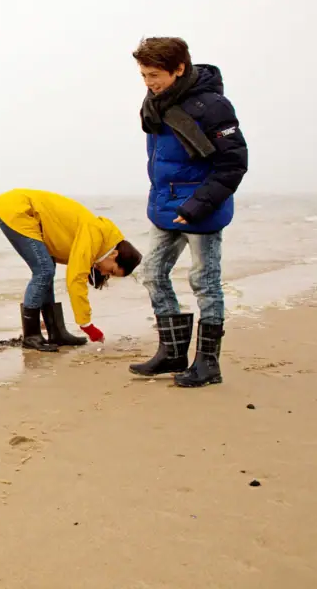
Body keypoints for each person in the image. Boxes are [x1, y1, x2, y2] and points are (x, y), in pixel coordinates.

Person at [128, 37, 248, 388]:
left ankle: (208, 364)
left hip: (201, 207)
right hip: (165, 204)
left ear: (179, 69)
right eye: (143, 75)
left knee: (204, 282)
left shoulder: (213, 106)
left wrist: (198, 205)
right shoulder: (155, 102)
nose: (148, 82)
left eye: (154, 75)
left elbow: (233, 163)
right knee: (152, 273)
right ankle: (172, 351)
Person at [0, 188, 142, 351]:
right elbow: (76, 278)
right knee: (44, 270)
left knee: (48, 269)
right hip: (17, 210)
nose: (104, 274)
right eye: (111, 271)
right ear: (114, 254)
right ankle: (31, 335)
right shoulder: (96, 234)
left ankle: (56, 332)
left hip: (23, 212)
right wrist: (86, 325)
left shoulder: (100, 239)